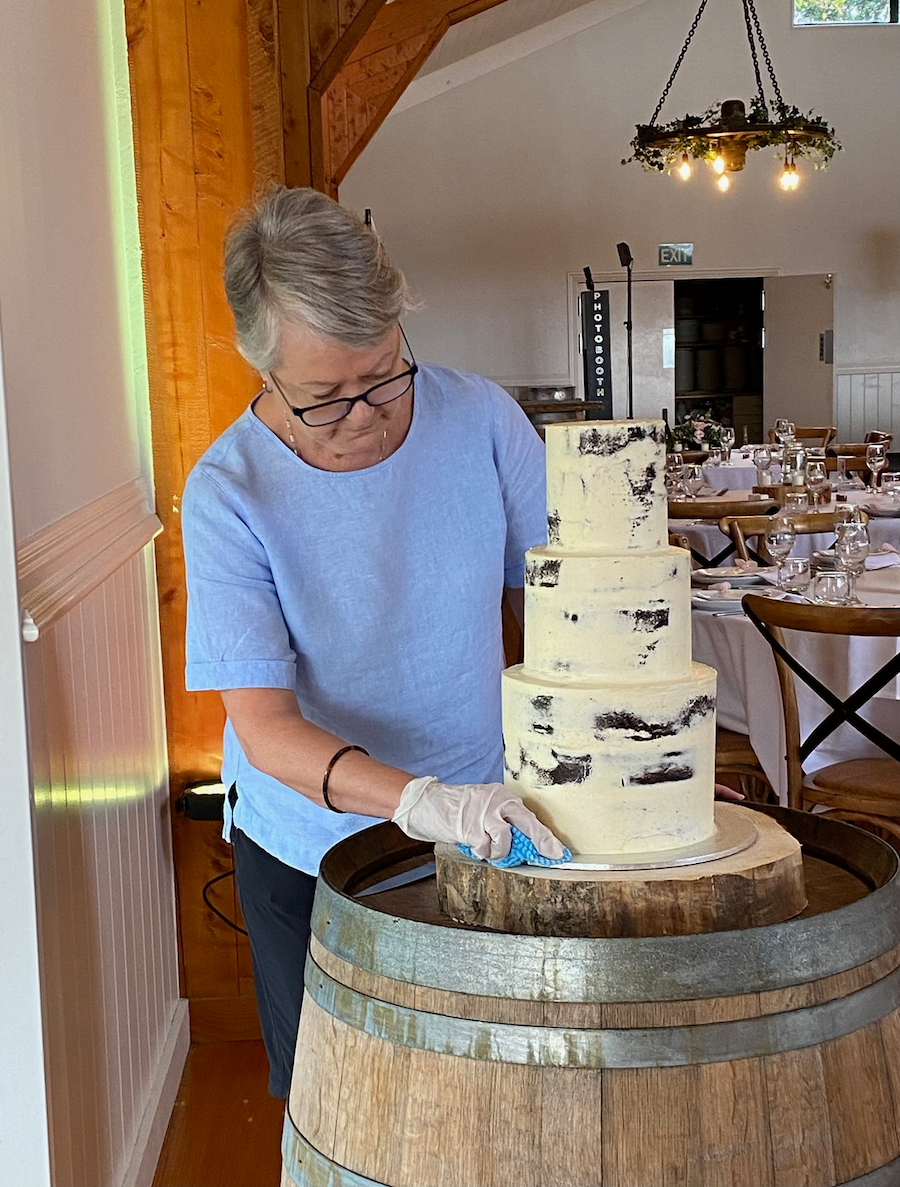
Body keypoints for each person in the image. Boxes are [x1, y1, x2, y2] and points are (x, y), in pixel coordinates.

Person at [181, 186, 564, 1099]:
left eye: (386, 373)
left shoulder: (481, 422)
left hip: (488, 824)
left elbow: (562, 605)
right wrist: (419, 800)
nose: (367, 414)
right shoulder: (229, 491)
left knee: (489, 1091)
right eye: (325, 396)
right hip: (313, 842)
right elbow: (265, 729)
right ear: (262, 369)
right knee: (337, 1097)